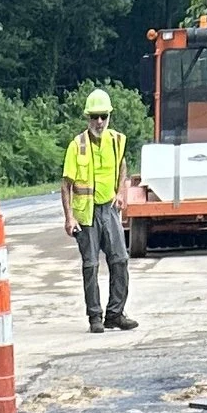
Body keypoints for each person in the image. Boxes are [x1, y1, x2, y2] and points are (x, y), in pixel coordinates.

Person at [61, 89, 136, 333]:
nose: (100, 121)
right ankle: (95, 317)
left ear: (109, 116)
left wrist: (120, 192)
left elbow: (122, 165)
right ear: (88, 117)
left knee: (120, 260)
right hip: (87, 215)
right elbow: (66, 184)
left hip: (109, 209)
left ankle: (115, 314)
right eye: (95, 117)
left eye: (103, 116)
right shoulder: (77, 145)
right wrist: (69, 217)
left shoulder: (116, 141)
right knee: (91, 265)